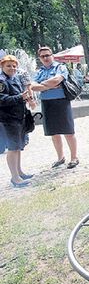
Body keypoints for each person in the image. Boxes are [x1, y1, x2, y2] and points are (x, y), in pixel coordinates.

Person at [30, 46, 79, 169]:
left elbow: (57, 80)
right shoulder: (39, 71)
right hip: (47, 104)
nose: (46, 58)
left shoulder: (60, 67)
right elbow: (32, 86)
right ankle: (60, 157)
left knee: (68, 131)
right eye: (43, 56)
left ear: (52, 55)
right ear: (40, 58)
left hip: (61, 102)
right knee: (54, 133)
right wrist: (50, 86)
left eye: (47, 55)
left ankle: (74, 158)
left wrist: (43, 86)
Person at [0, 55, 35, 187]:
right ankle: (15, 177)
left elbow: (20, 96)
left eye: (14, 66)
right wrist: (20, 97)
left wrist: (27, 99)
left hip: (19, 118)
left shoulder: (14, 79)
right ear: (2, 66)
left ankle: (19, 172)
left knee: (19, 146)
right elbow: (2, 100)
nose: (12, 68)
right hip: (9, 119)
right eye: (8, 65)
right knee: (13, 148)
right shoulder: (2, 81)